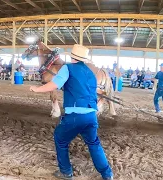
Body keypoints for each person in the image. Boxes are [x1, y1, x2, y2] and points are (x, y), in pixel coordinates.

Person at [29, 44, 113, 180]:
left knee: (60, 139)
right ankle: (107, 173)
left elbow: (54, 84)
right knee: (94, 143)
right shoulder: (91, 73)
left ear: (72, 56)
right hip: (91, 115)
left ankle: (66, 172)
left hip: (75, 115)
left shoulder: (67, 68)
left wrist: (37, 89)